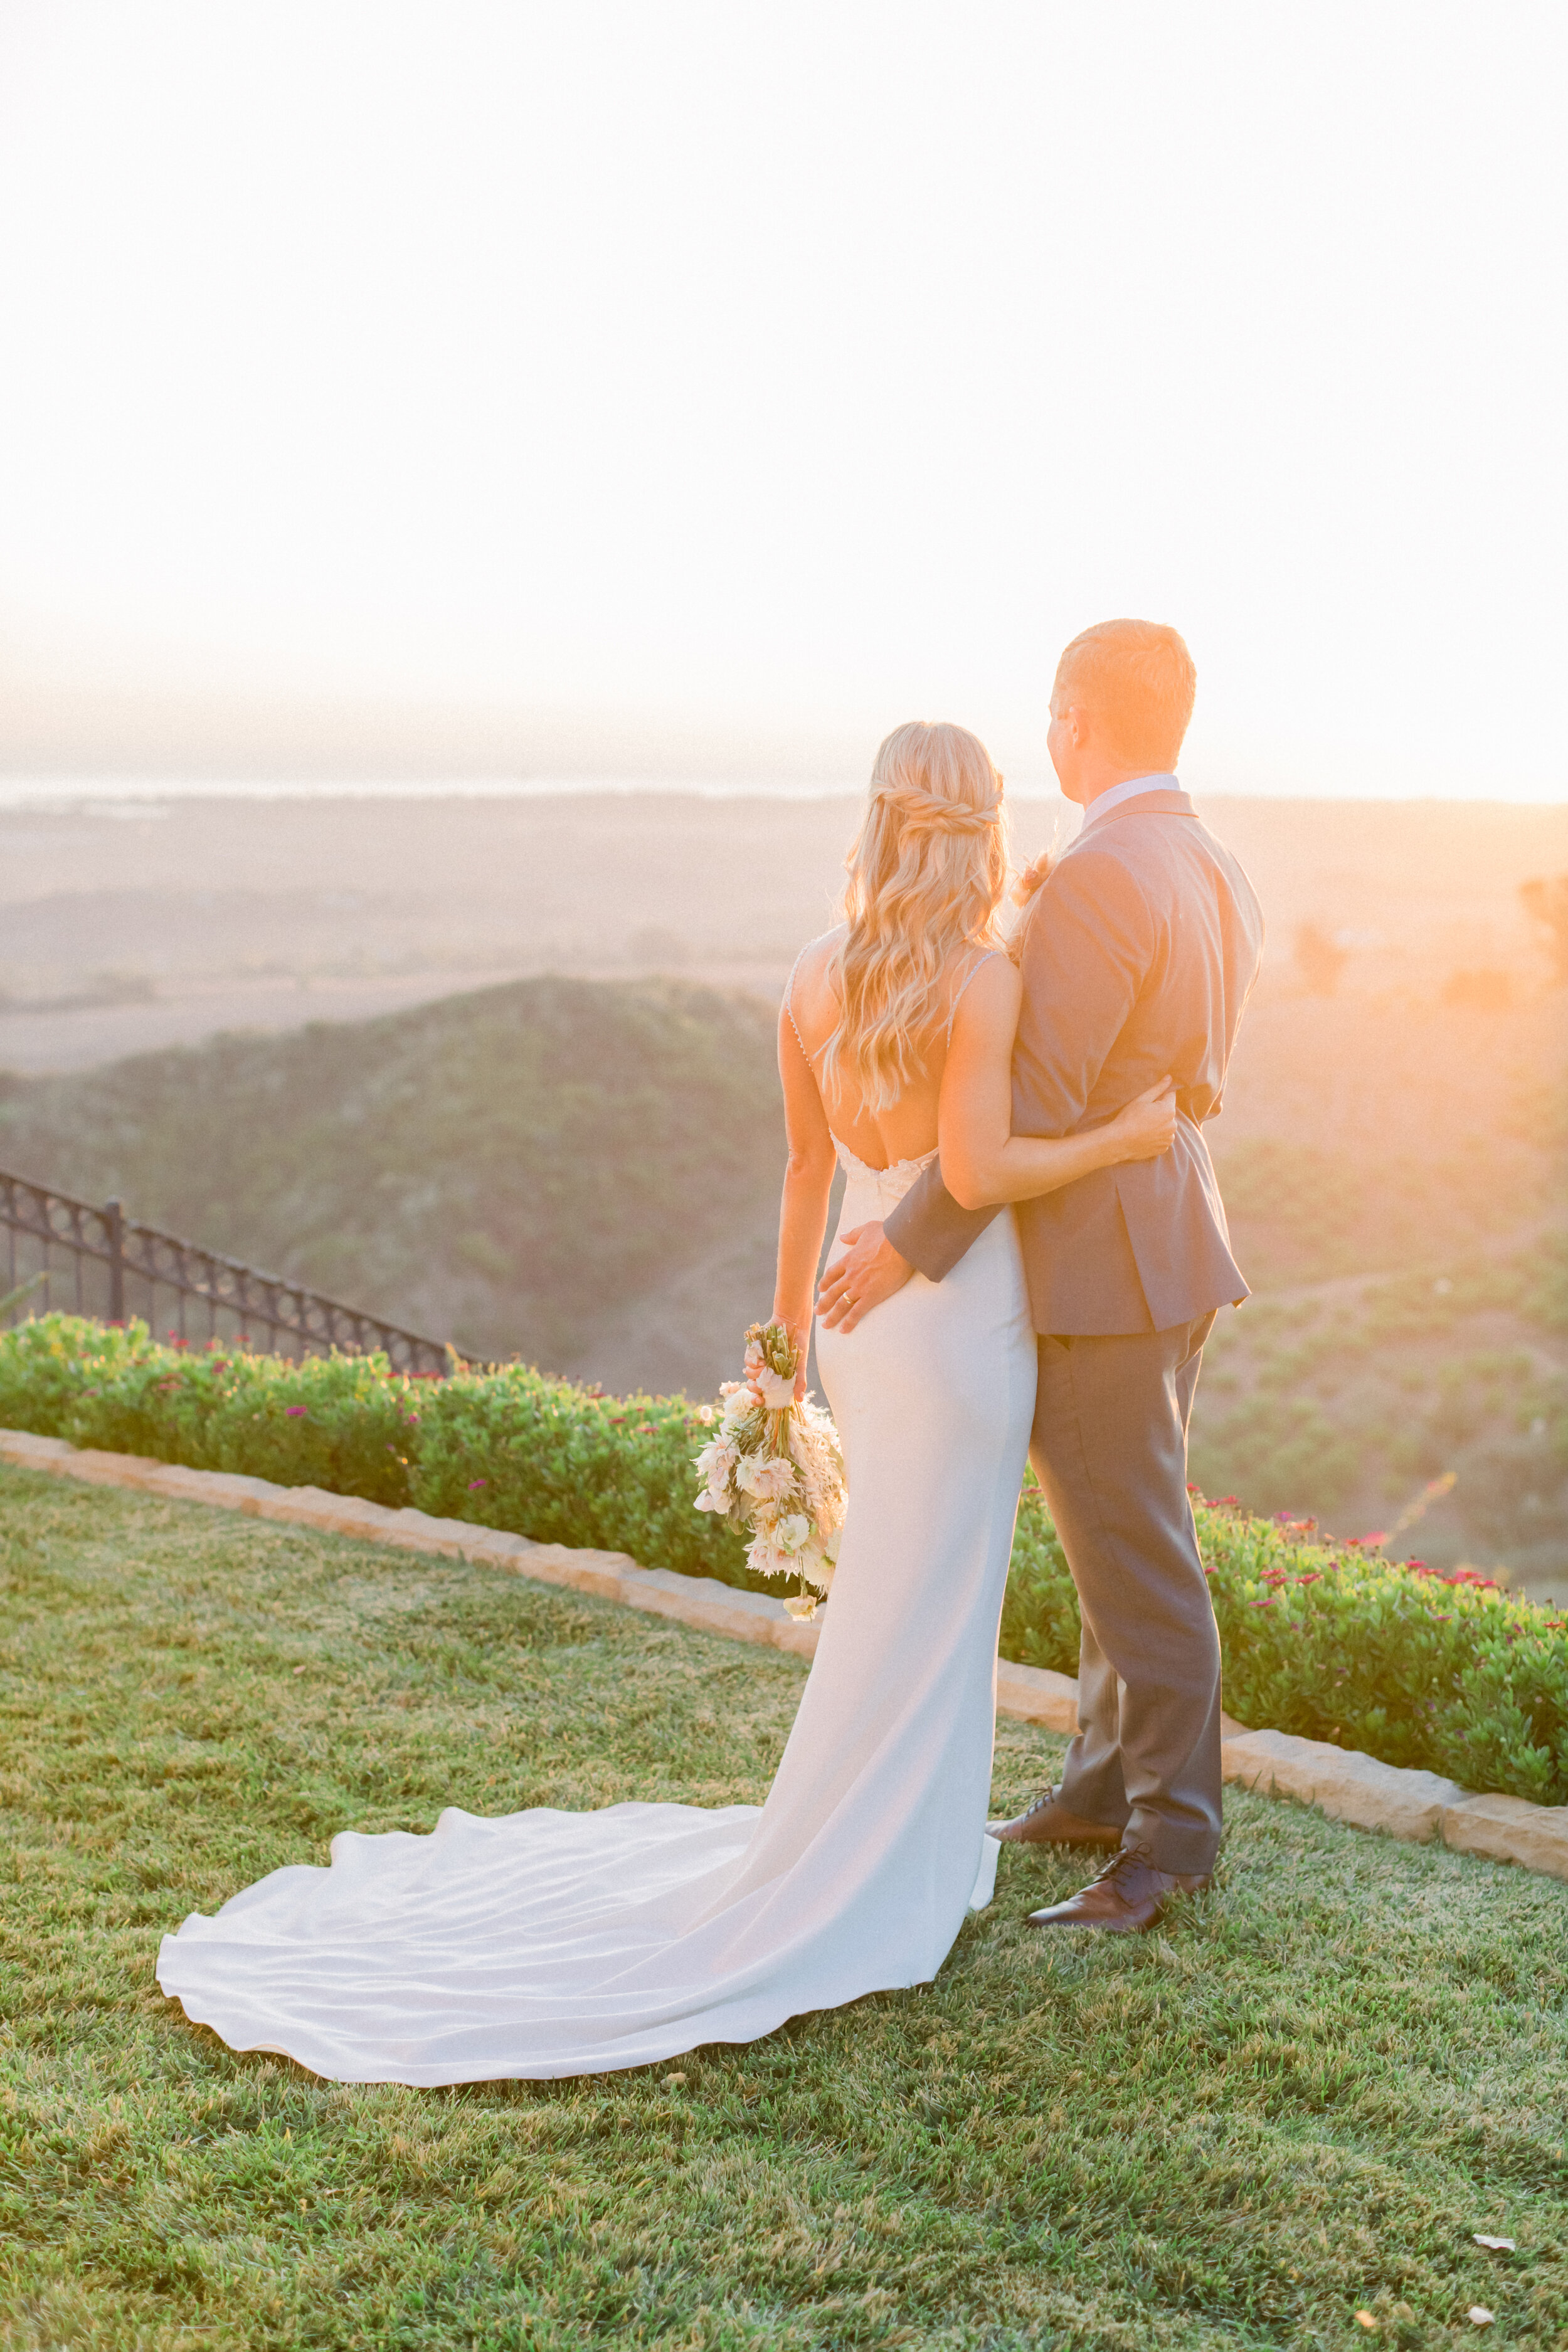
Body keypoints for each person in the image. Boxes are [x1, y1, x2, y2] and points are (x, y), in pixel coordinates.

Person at [155, 718, 1177, 2084]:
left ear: (877, 820)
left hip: (857, 1325)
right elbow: (980, 1173)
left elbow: (806, 1179)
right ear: (982, 826)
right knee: (937, 1596)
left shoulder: (817, 977)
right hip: (953, 1327)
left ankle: (888, 1848)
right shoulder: (981, 983)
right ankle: (889, 1870)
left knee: (895, 1594)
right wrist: (1119, 1137)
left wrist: (783, 1343)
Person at [817, 620, 1265, 1933]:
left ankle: (1168, 1842)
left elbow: (1033, 1101)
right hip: (1172, 1237)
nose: (1049, 730)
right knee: (1115, 1530)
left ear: (1079, 718)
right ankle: (1095, 1782)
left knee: (1134, 1550)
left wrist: (903, 1242)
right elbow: (1206, 1078)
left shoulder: (1098, 877)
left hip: (1101, 1270)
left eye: (1053, 712)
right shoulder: (1208, 861)